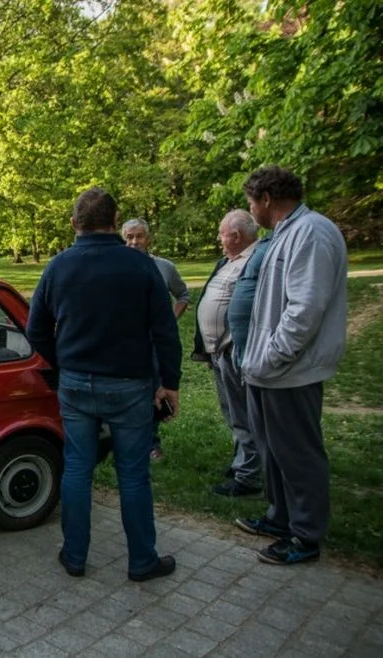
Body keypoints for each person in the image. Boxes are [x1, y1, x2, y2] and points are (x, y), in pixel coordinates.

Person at [27, 187, 182, 582]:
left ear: (74, 223)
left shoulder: (58, 266)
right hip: (130, 384)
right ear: (115, 222)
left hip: (76, 383)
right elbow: (166, 330)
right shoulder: (140, 266)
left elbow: (35, 329)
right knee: (133, 474)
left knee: (77, 467)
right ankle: (142, 560)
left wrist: (63, 363)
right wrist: (170, 382)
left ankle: (74, 556)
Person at [237, 166, 347, 566]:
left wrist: (272, 356)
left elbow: (305, 309)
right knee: (273, 450)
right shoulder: (285, 233)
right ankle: (279, 517)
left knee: (298, 453)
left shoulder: (312, 233)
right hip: (269, 371)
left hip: (290, 371)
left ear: (266, 199)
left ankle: (305, 535)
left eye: (252, 202)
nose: (251, 211)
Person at [191, 209, 262, 497]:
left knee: (244, 414)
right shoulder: (230, 261)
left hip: (235, 351)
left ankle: (249, 478)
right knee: (232, 411)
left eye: (221, 233)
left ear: (235, 235)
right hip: (219, 352)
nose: (219, 239)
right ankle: (242, 463)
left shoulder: (257, 260)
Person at [121, 218, 190, 460]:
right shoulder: (116, 266)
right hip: (124, 341)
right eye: (129, 237)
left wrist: (170, 319)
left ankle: (152, 443)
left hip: (154, 341)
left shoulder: (164, 267)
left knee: (154, 389)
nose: (134, 242)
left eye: (139, 236)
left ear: (148, 239)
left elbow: (183, 295)